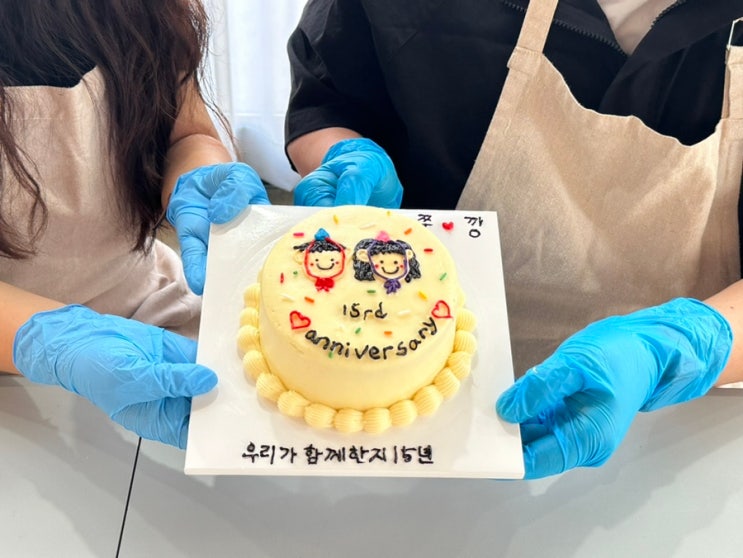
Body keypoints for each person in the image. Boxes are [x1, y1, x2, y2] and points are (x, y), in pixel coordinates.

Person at [283, 0, 743, 478]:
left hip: (683, 423)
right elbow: (326, 99)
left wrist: (684, 345)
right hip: (409, 395)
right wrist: (346, 157)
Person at [0, 1, 269, 449]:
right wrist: (45, 340)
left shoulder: (145, 9)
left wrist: (197, 175)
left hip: (150, 307)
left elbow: (187, 132)